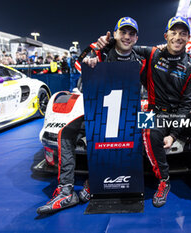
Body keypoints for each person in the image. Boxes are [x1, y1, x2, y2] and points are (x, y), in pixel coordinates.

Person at [97, 16, 191, 218]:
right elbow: (124, 47)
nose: (178, 37)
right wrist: (106, 43)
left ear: (188, 38)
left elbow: (187, 105)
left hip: (181, 115)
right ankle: (164, 180)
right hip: (154, 112)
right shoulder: (152, 53)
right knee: (147, 130)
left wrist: (174, 133)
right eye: (174, 32)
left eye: (183, 33)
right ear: (166, 35)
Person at [36, 17, 143, 215]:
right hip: (100, 113)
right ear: (116, 34)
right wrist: (90, 68)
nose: (127, 37)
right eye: (123, 32)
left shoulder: (141, 61)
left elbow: (147, 91)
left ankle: (94, 181)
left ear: (136, 38)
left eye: (131, 33)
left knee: (153, 131)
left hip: (131, 115)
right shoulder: (99, 53)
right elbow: (82, 87)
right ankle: (66, 191)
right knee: (65, 132)